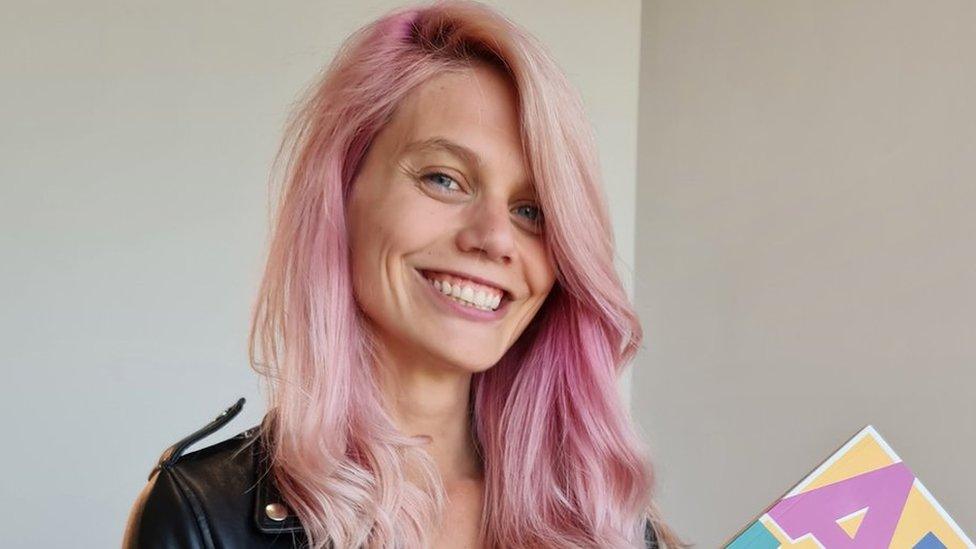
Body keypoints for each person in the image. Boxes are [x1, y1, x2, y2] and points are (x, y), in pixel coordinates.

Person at [122, 1, 685, 547]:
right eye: (444, 179)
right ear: (341, 194)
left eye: (532, 211)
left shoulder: (606, 520)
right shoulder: (204, 518)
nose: (494, 239)